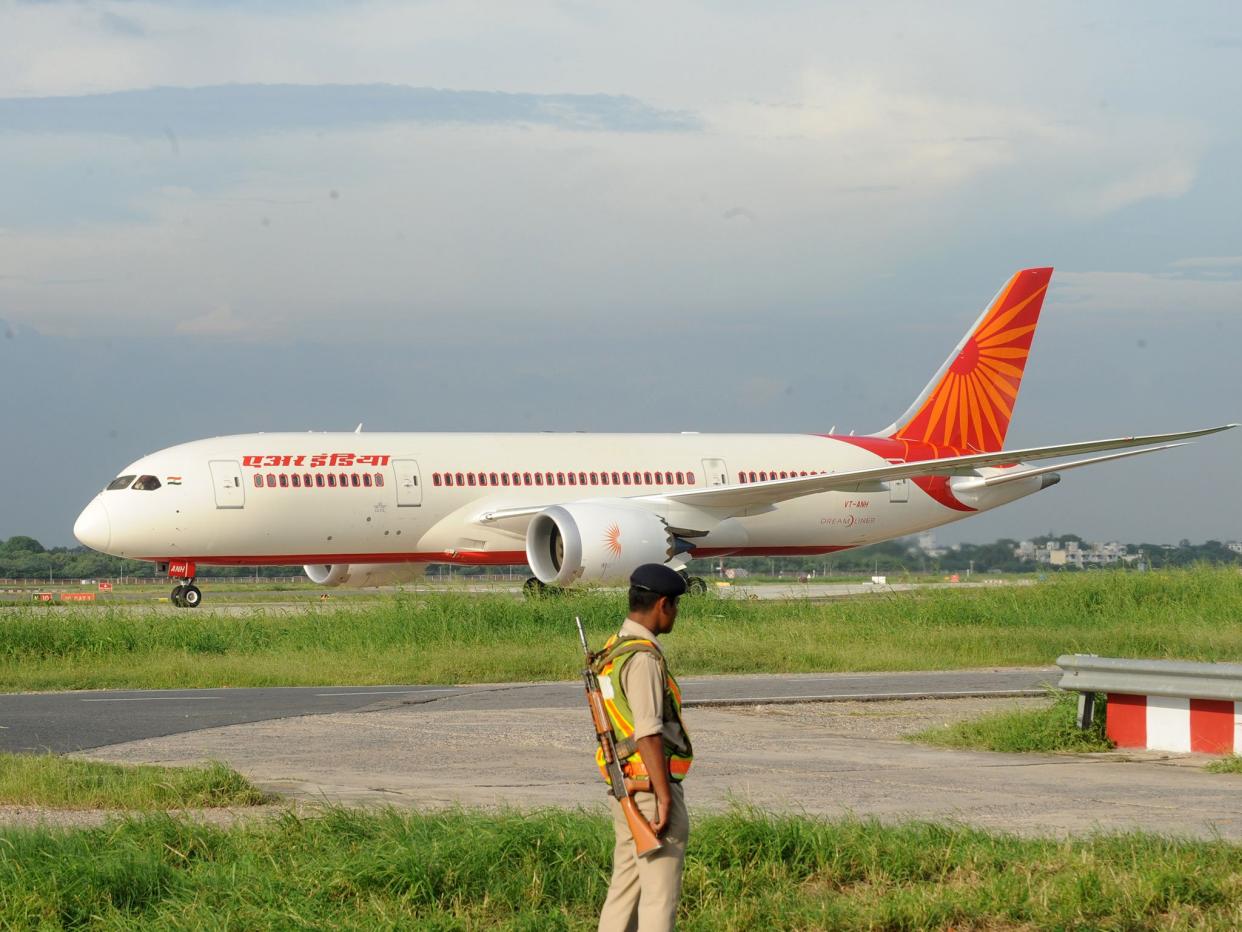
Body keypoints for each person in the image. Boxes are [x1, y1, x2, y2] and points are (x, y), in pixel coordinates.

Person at [596, 563, 693, 932]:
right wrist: (665, 795)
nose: (676, 615)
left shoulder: (613, 650)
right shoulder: (643, 658)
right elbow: (649, 731)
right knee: (659, 898)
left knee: (624, 892)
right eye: (676, 607)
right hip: (650, 790)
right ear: (663, 605)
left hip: (626, 788)